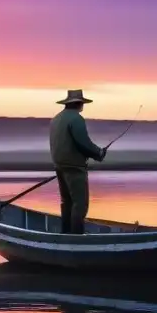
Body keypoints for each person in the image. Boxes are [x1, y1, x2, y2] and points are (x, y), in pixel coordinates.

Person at [49, 89, 106, 234]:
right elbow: (83, 143)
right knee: (79, 204)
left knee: (66, 202)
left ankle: (65, 234)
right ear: (79, 104)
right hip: (74, 167)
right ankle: (76, 237)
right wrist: (98, 153)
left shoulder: (56, 119)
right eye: (82, 103)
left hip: (59, 166)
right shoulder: (76, 119)